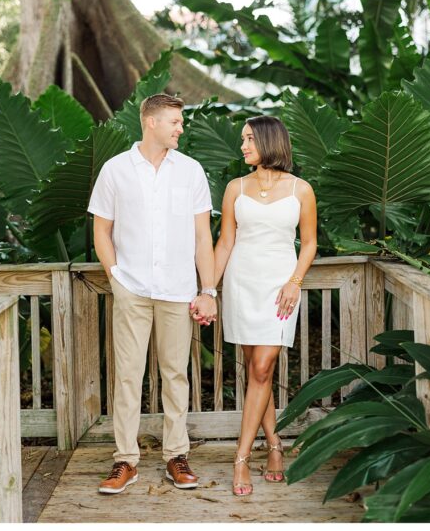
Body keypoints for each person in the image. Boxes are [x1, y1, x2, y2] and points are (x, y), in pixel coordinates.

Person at [89, 93, 217, 494]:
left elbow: (202, 236)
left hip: (179, 291)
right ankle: (125, 460)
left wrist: (208, 289)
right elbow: (101, 231)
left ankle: (176, 456)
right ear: (151, 123)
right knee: (127, 376)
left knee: (175, 374)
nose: (181, 128)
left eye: (181, 122)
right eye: (175, 122)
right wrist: (116, 278)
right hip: (132, 289)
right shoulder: (115, 170)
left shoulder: (191, 171)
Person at [198, 115, 317, 496]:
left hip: (280, 286)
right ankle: (276, 445)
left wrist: (294, 282)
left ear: (269, 142)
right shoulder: (235, 187)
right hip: (241, 282)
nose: (243, 146)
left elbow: (310, 243)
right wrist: (209, 290)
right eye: (243, 140)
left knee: (263, 367)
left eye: (249, 139)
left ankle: (241, 458)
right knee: (256, 371)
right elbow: (225, 243)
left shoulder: (302, 190)